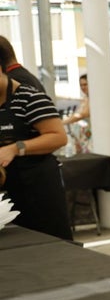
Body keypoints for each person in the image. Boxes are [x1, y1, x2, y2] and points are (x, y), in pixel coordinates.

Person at [0, 69, 72, 240]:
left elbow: (58, 137)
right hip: (8, 189)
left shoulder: (30, 97)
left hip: (38, 187)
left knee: (52, 244)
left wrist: (16, 148)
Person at [61, 73, 92, 153]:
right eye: (81, 85)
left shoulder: (92, 98)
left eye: (85, 84)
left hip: (89, 136)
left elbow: (82, 114)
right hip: (82, 137)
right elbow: (77, 114)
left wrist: (63, 122)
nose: (83, 87)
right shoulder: (86, 98)